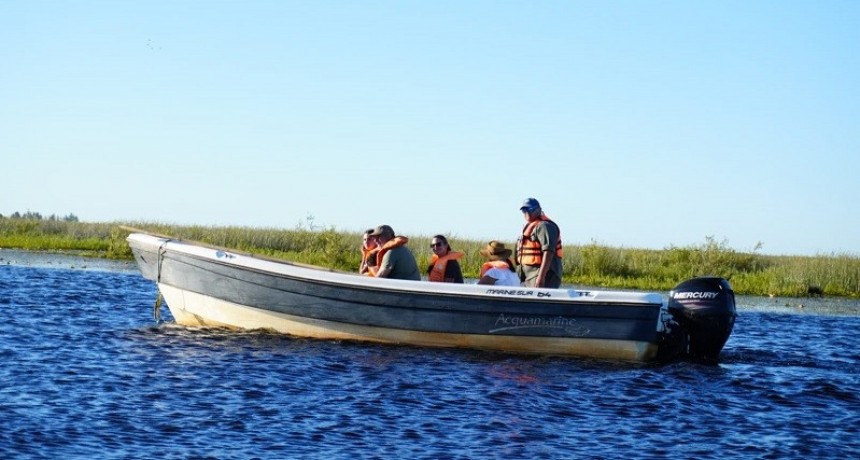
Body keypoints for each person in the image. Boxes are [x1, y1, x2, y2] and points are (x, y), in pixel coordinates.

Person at [515, 197, 563, 288]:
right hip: (529, 276)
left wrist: (541, 277)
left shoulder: (545, 226)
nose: (527, 212)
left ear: (539, 210)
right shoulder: (530, 226)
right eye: (524, 210)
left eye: (530, 209)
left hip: (541, 275)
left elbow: (548, 252)